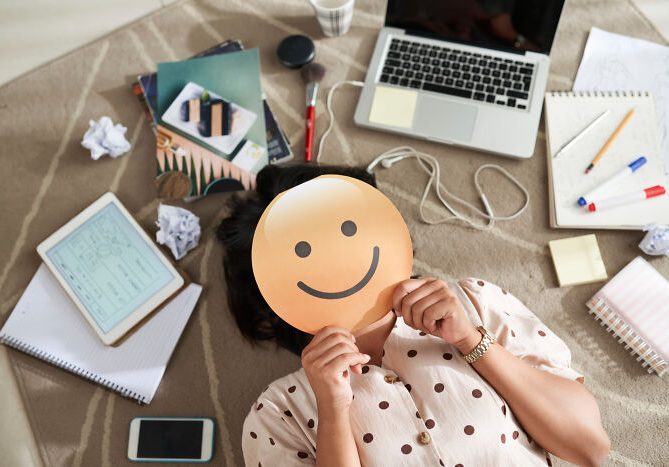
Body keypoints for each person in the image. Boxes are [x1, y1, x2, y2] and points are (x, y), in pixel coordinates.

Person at [218, 164, 610, 467]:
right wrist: (333, 411)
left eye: (349, 230)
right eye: (303, 252)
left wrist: (472, 342)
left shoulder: (473, 303)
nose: (335, 261)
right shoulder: (277, 413)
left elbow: (589, 447)